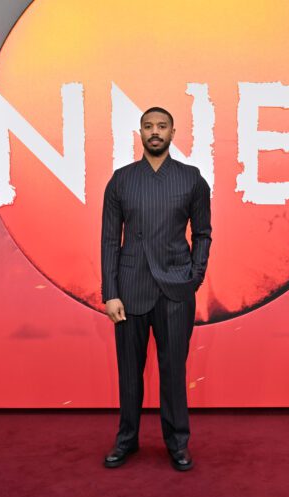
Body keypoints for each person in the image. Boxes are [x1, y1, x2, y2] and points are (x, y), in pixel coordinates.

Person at [100, 106, 212, 471]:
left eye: (162, 126)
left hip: (176, 291)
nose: (155, 132)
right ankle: (126, 440)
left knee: (174, 373)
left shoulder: (192, 179)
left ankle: (178, 443)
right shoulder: (121, 180)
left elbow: (203, 234)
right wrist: (110, 292)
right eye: (148, 126)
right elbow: (108, 241)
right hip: (129, 291)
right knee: (129, 373)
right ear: (140, 132)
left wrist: (193, 277)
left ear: (173, 132)